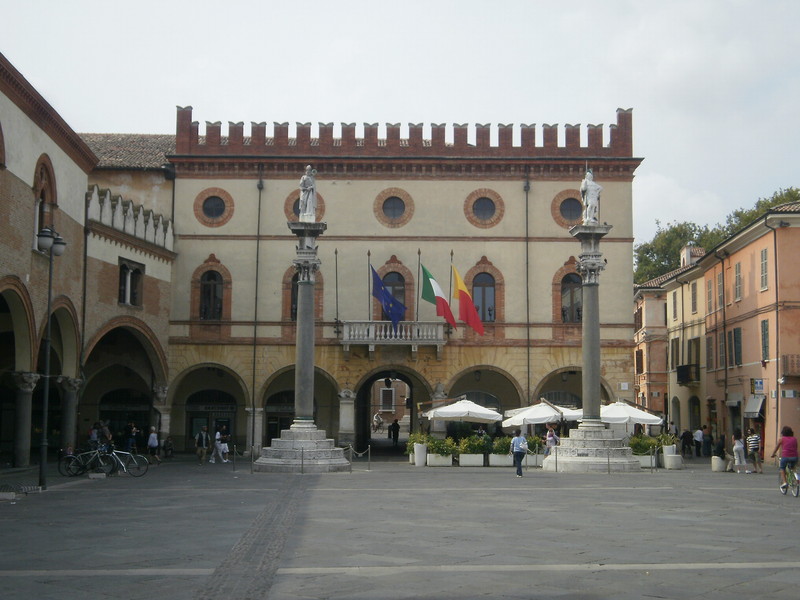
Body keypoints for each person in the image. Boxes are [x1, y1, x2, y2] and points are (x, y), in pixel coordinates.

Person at [771, 426, 798, 492]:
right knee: (793, 467)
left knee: (782, 468)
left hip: (785, 457)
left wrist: (773, 454)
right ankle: (796, 477)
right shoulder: (794, 439)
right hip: (795, 456)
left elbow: (776, 448)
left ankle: (785, 482)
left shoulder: (781, 439)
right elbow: (796, 447)